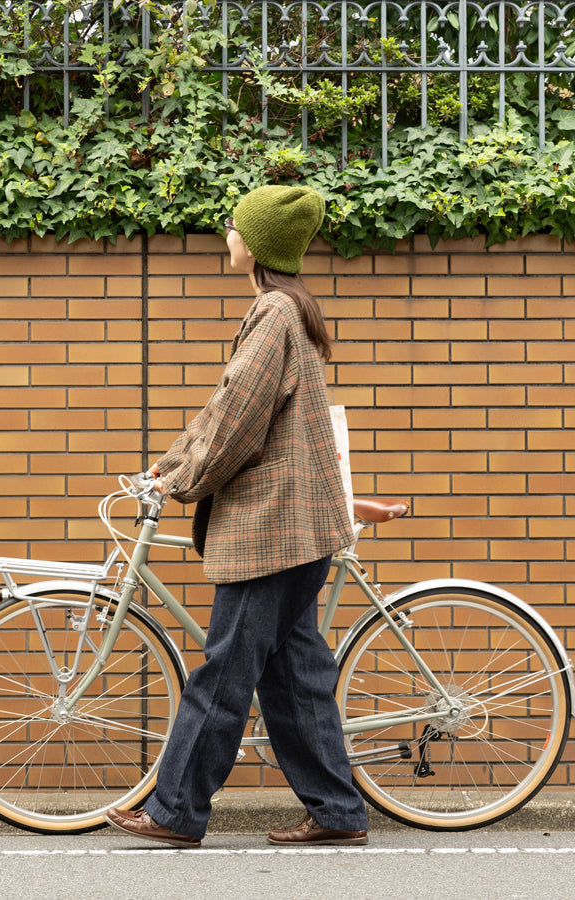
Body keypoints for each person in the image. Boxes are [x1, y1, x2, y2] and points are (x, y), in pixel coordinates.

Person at [105, 185, 369, 849]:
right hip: (299, 528)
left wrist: (180, 482)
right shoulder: (290, 309)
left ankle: (174, 811)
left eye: (233, 224)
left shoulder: (273, 313)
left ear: (254, 243)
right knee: (293, 675)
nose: (226, 232)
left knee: (223, 673)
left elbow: (236, 421)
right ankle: (337, 810)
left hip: (272, 530)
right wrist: (169, 466)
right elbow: (228, 408)